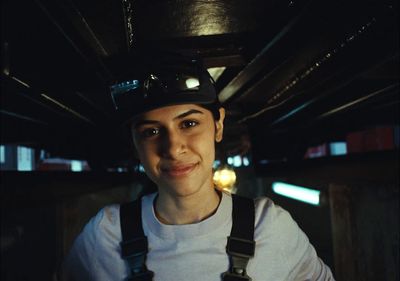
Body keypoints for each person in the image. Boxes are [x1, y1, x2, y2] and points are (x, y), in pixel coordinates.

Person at [60, 54, 335, 281]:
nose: (173, 148)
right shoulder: (106, 234)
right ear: (134, 144)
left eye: (189, 124)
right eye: (151, 132)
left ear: (218, 126)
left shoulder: (269, 226)